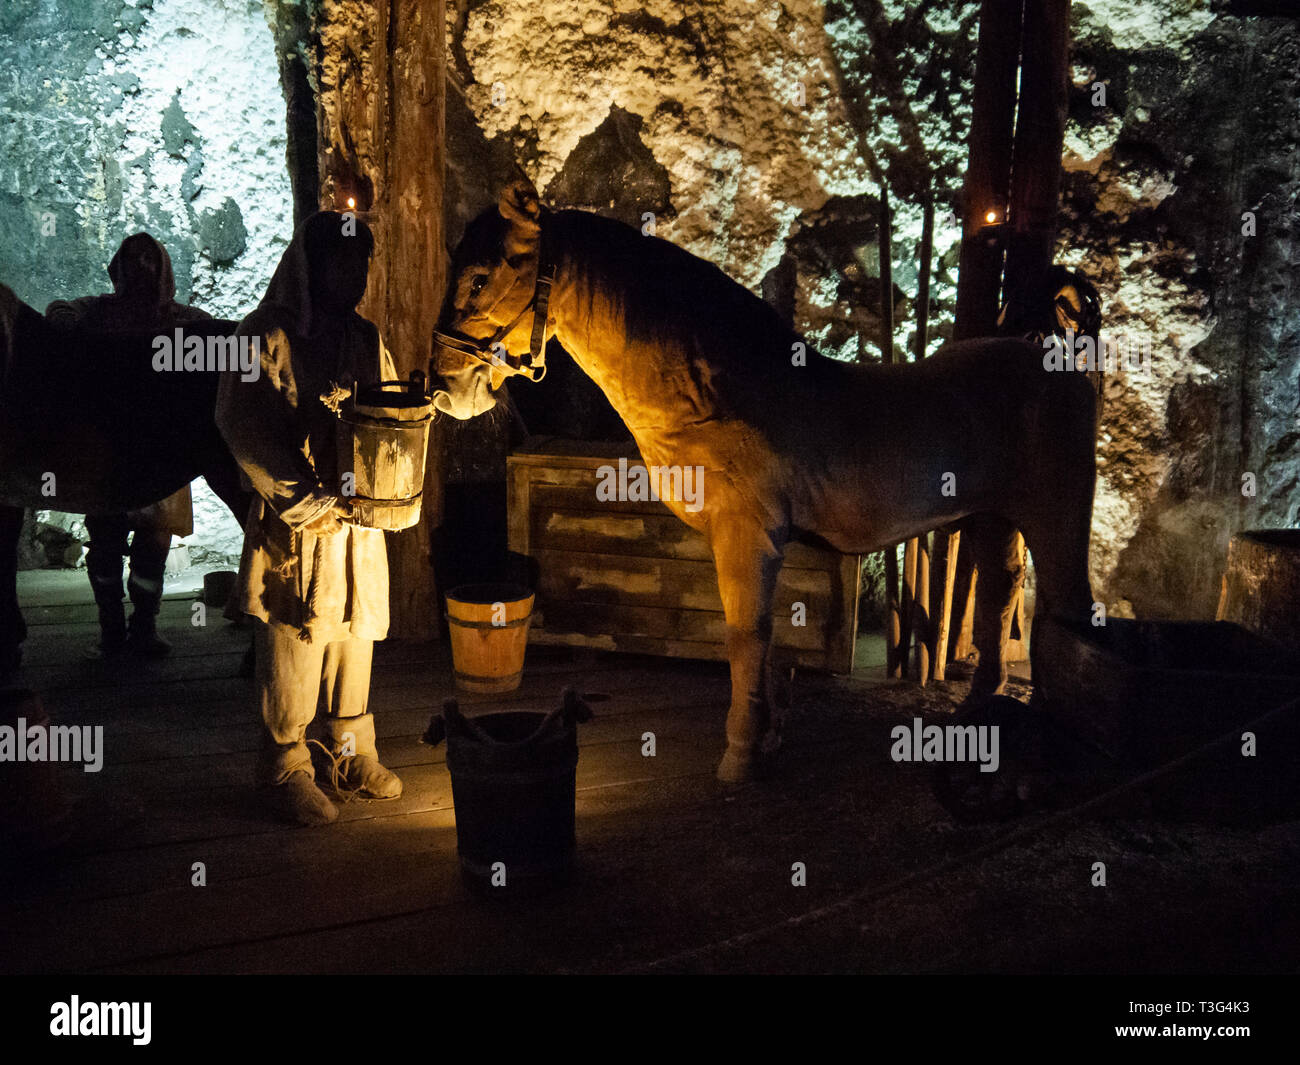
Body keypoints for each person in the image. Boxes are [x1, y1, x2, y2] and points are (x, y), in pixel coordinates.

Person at [216, 211, 402, 827]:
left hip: (356, 517)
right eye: (341, 262)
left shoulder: (366, 337)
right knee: (293, 630)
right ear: (309, 267)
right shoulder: (263, 334)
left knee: (355, 630)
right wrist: (302, 498)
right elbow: (240, 421)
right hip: (295, 520)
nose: (354, 275)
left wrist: (392, 475)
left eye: (361, 263)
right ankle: (286, 764)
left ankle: (350, 751)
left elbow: (390, 412)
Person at [46, 234, 211, 658]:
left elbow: (210, 330)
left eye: (149, 258)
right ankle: (111, 629)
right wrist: (70, 326)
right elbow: (61, 310)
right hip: (109, 447)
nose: (141, 266)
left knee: (153, 546)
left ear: (163, 269)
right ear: (118, 268)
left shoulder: (180, 317)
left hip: (162, 450)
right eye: (133, 258)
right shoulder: (100, 311)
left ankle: (144, 628)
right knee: (104, 542)